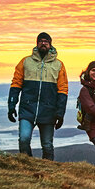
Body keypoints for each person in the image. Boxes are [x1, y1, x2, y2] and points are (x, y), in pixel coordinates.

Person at [8, 32, 68, 160]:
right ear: (37, 43)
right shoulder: (25, 62)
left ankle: (48, 168)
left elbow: (62, 89)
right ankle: (27, 164)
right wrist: (11, 105)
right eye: (41, 41)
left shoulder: (59, 65)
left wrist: (60, 113)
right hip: (27, 108)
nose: (43, 43)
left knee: (47, 144)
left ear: (50, 44)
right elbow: (16, 84)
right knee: (24, 139)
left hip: (48, 110)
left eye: (46, 41)